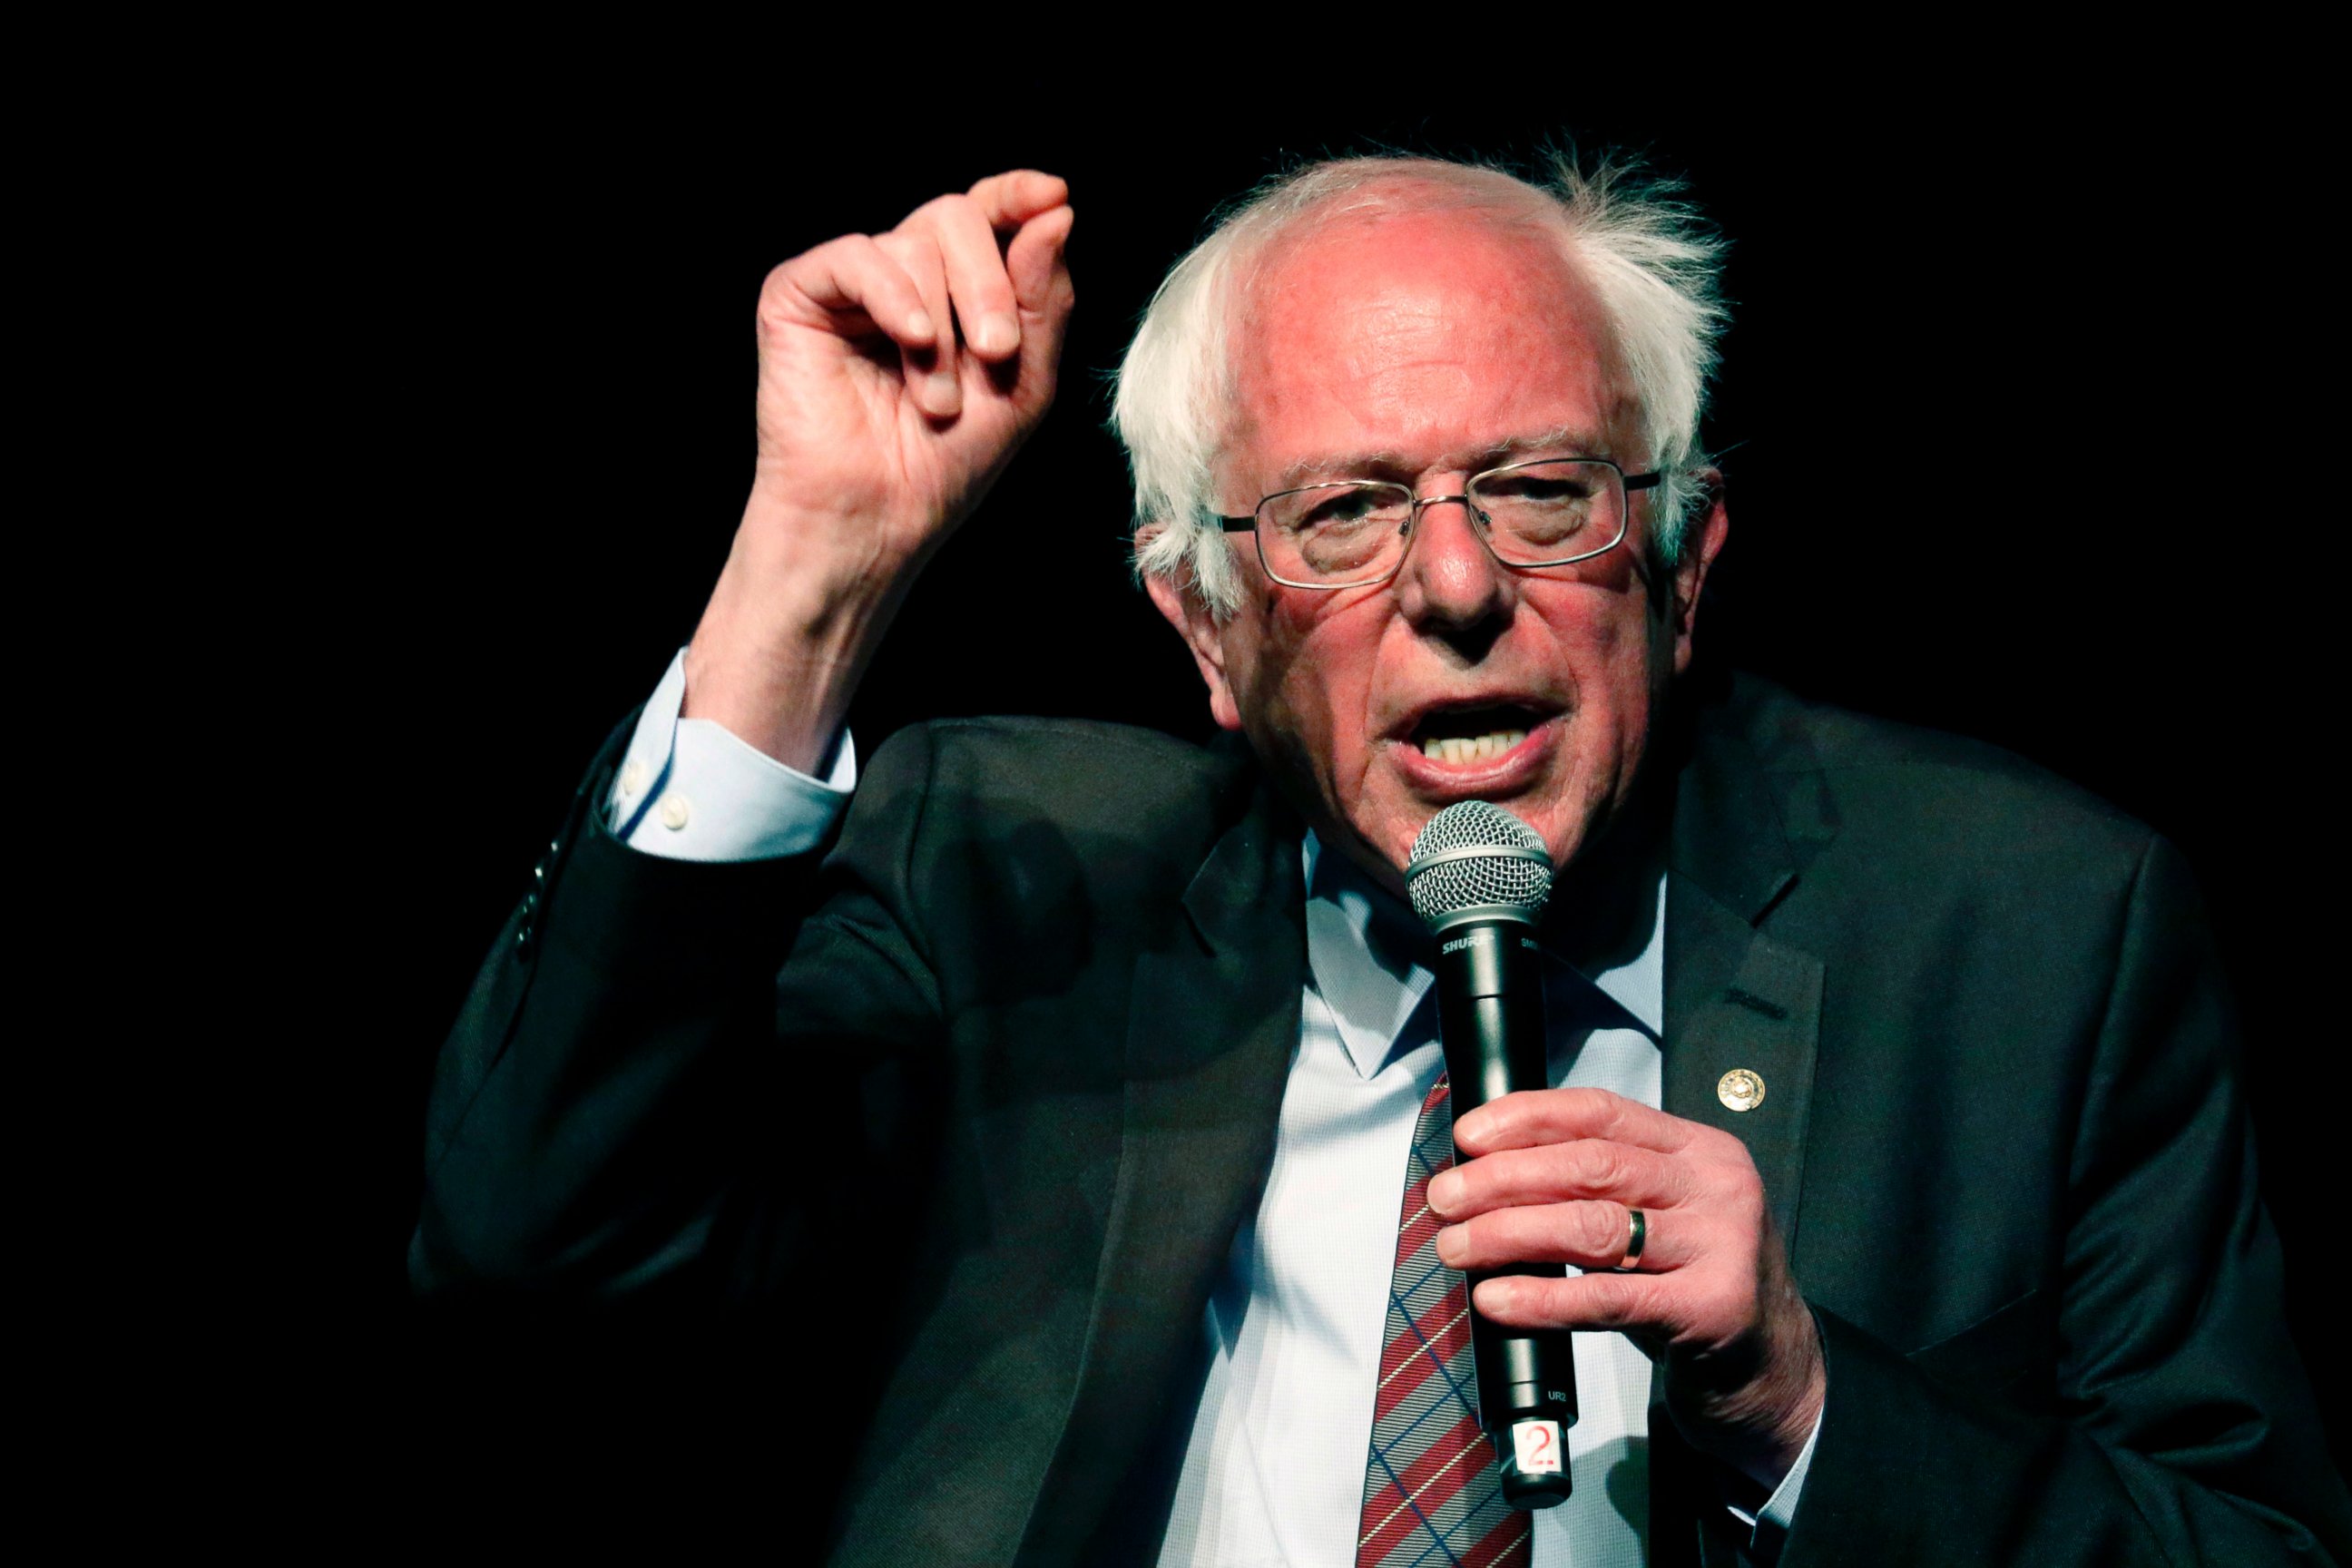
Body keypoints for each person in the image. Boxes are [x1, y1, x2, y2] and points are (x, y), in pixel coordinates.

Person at [411, 152, 2347, 1565]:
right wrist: (810, 581)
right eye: (1343, 513)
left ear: (1683, 563)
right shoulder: (1009, 877)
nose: (1454, 584)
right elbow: (539, 1258)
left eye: (1539, 489)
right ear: (1205, 632)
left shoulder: (2031, 927)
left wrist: (1802, 1405)